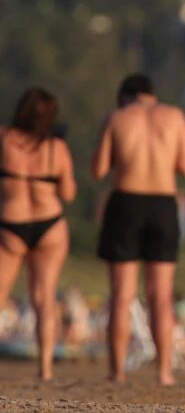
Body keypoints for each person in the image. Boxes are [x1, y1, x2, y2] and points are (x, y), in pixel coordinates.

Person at [92, 73, 185, 385]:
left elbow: (98, 170)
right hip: (163, 203)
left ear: (125, 96)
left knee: (122, 295)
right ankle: (164, 372)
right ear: (152, 94)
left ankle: (117, 371)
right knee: (161, 296)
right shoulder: (175, 116)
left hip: (126, 201)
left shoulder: (117, 117)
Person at [0, 88, 77, 381]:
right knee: (44, 298)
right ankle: (45, 369)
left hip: (11, 223)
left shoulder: (5, 139)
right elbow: (68, 194)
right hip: (50, 223)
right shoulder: (57, 148)